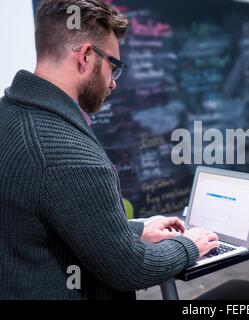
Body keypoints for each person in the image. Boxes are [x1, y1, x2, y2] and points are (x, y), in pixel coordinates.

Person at [0, 0, 218, 300]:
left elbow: (52, 225)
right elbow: (130, 269)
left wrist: (136, 230)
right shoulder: (69, 154)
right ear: (87, 56)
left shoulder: (10, 115)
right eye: (113, 66)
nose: (114, 83)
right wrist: (190, 244)